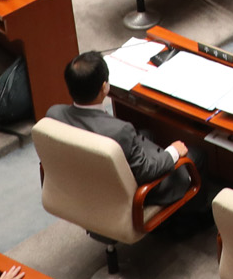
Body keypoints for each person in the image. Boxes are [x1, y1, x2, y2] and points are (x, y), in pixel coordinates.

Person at [45, 53, 200, 206]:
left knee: (148, 134)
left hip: (84, 184)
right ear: (104, 87)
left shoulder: (54, 115)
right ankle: (191, 221)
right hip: (131, 194)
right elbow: (146, 172)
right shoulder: (119, 132)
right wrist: (173, 151)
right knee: (196, 156)